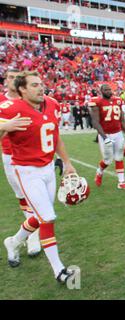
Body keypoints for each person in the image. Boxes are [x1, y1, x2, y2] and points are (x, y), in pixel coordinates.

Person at [0, 71, 76, 283]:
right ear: (22, 89)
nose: (40, 88)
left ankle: (13, 242)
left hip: (48, 167)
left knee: (41, 214)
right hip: (26, 170)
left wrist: (67, 163)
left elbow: (56, 136)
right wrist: (4, 126)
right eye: (34, 85)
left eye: (41, 84)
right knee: (47, 218)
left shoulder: (52, 104)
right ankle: (59, 270)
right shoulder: (11, 107)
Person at [0, 67, 41, 257]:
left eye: (18, 78)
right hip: (10, 155)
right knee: (23, 196)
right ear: (5, 81)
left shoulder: (31, 99)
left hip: (34, 154)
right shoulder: (2, 101)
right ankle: (31, 235)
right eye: (11, 77)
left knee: (36, 198)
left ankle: (30, 236)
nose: (14, 80)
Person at [89, 84, 125, 190]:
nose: (109, 91)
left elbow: (122, 120)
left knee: (119, 157)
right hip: (106, 133)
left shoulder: (118, 101)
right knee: (108, 160)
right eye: (106, 90)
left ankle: (121, 182)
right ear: (101, 91)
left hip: (117, 133)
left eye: (110, 89)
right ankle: (99, 172)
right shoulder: (97, 102)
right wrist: (104, 137)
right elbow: (95, 122)